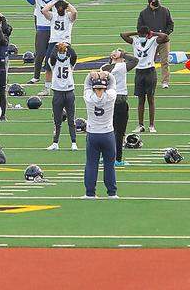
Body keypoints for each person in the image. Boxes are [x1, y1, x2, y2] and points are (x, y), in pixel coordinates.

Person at [120, 25, 168, 133]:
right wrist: (137, 33)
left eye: (143, 35)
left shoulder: (153, 41)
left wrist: (152, 33)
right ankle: (140, 125)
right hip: (139, 71)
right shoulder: (135, 41)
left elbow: (165, 36)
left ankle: (151, 125)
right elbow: (123, 35)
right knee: (140, 100)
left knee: (151, 99)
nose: (141, 36)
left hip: (150, 70)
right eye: (140, 35)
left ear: (147, 35)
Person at [83, 70, 119, 198]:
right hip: (107, 134)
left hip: (93, 134)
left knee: (91, 164)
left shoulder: (89, 97)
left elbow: (86, 84)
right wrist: (107, 74)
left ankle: (90, 193)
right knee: (109, 165)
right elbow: (113, 82)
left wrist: (91, 75)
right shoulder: (110, 96)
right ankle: (112, 193)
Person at [24, 0, 66, 84]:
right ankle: (36, 76)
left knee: (52, 54)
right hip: (42, 29)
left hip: (53, 29)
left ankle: (54, 77)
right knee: (40, 54)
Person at [101, 49, 137, 166]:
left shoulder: (104, 67)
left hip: (107, 101)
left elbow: (109, 66)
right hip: (120, 100)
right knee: (119, 132)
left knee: (108, 129)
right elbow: (135, 60)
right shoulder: (121, 66)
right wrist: (123, 54)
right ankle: (118, 159)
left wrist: (114, 57)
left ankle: (104, 155)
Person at [137, 0, 174, 89]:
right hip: (150, 42)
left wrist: (165, 34)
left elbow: (170, 24)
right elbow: (140, 27)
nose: (156, 4)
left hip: (163, 41)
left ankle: (165, 81)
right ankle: (149, 80)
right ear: (149, 2)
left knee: (165, 61)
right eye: (154, 2)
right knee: (149, 61)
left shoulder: (165, 10)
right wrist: (146, 36)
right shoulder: (143, 13)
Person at [45, 42, 78, 151]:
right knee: (58, 120)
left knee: (70, 119)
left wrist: (63, 46)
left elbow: (73, 56)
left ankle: (73, 142)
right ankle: (55, 142)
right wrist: (62, 47)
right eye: (61, 51)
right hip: (59, 92)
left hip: (67, 92)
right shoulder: (54, 62)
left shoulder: (69, 62)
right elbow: (53, 56)